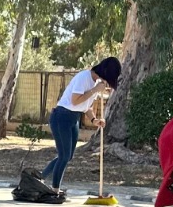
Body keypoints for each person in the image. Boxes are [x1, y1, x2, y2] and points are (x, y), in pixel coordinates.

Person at [45, 57, 120, 191]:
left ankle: (40, 177)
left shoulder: (96, 82)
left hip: (74, 118)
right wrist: (94, 90)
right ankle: (55, 189)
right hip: (62, 116)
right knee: (64, 156)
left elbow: (86, 106)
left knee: (68, 156)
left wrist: (94, 120)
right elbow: (75, 101)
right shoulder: (84, 77)